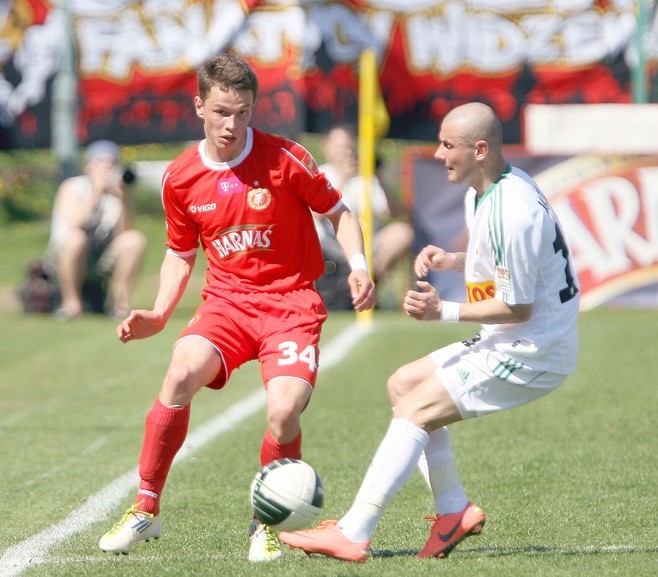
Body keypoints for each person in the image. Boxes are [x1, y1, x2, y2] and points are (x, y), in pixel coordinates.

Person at [98, 54, 376, 561]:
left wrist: (358, 264)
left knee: (285, 409)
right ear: (200, 104)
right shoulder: (180, 177)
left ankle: (266, 521)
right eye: (222, 111)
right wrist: (159, 315)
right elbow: (180, 255)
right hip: (227, 304)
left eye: (243, 112)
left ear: (253, 108)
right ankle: (145, 508)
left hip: (291, 303)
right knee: (180, 374)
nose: (232, 124)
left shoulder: (286, 158)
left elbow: (340, 212)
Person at [278, 102, 580, 562]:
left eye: (447, 145)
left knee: (416, 409)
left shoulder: (512, 209)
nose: (438, 154)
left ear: (480, 149)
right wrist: (453, 261)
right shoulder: (490, 189)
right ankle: (453, 511)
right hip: (519, 334)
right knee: (404, 384)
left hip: (534, 347)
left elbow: (518, 305)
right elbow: (508, 265)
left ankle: (354, 531)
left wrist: (444, 312)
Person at [47, 140, 147, 319]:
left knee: (135, 239)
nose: (107, 168)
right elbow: (73, 224)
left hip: (101, 257)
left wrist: (123, 199)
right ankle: (71, 304)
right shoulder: (72, 186)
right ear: (88, 166)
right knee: (76, 238)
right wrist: (95, 194)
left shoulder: (118, 191)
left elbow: (124, 234)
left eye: (112, 164)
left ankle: (119, 304)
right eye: (101, 163)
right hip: (68, 256)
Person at [314, 124, 413, 302]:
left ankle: (371, 282)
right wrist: (343, 179)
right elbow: (315, 215)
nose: (344, 152)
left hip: (368, 245)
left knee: (402, 232)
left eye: (347, 146)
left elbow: (392, 212)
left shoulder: (365, 177)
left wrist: (378, 176)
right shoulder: (320, 174)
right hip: (330, 246)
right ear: (326, 147)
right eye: (338, 146)